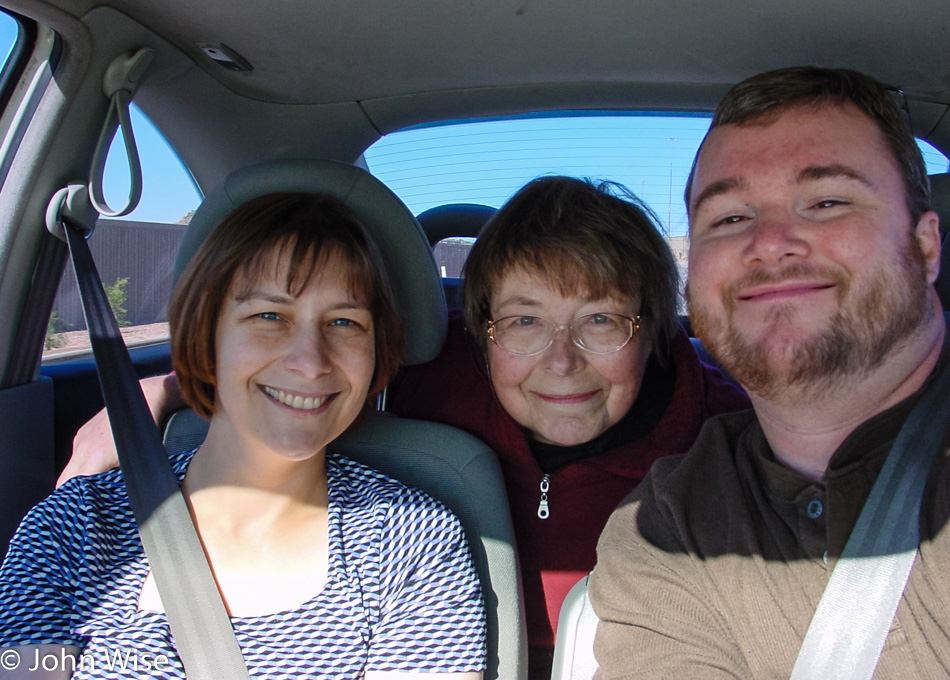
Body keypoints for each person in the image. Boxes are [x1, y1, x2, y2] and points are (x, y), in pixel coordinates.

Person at [63, 177, 750, 679]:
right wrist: (162, 390)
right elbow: (304, 372)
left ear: (654, 332)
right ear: (482, 336)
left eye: (601, 320)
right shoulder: (432, 372)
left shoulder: (729, 437)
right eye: (524, 321)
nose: (561, 360)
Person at [0, 192, 486, 679]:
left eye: (344, 322)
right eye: (269, 317)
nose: (311, 361)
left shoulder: (411, 544)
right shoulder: (71, 529)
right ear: (206, 335)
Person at [590, 66, 950, 678]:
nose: (772, 243)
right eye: (730, 217)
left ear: (924, 246)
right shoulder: (665, 523)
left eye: (827, 201)